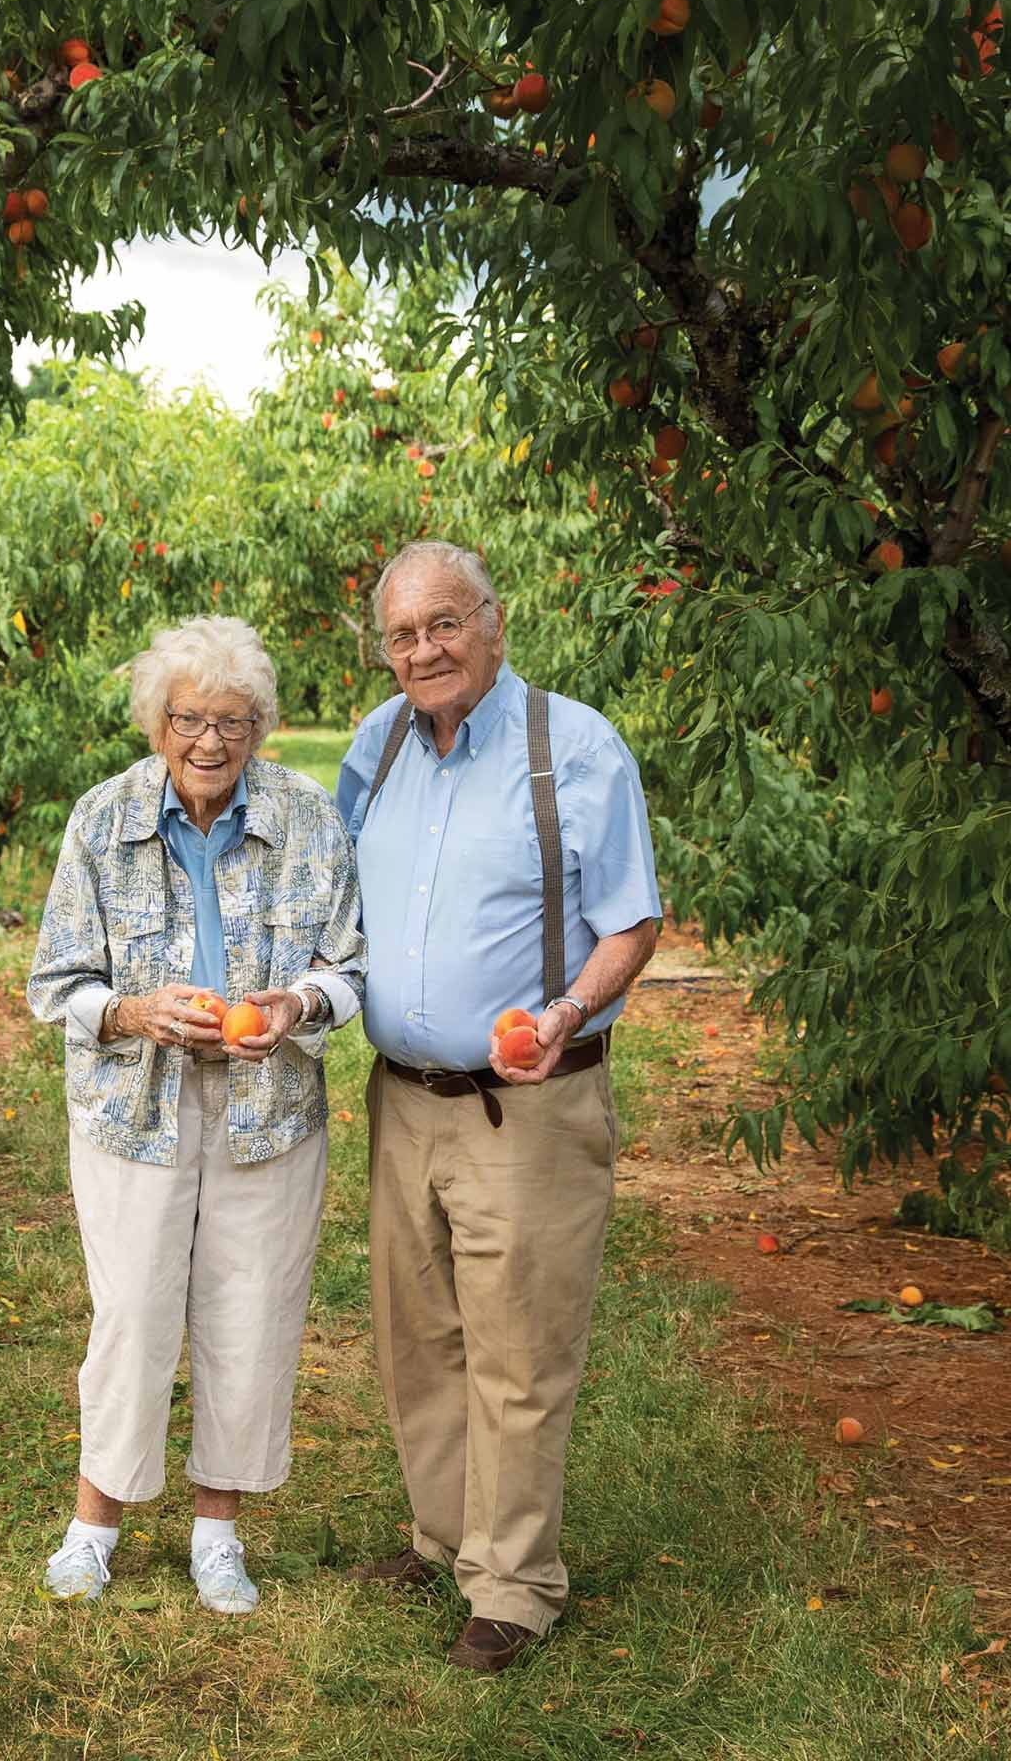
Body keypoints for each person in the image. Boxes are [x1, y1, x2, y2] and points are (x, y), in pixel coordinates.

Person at [335, 541, 660, 1674]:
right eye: (400, 635)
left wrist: (567, 1008)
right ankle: (442, 1538)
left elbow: (631, 921)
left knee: (519, 1346)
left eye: (442, 624)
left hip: (524, 1106)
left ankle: (513, 1584)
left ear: (492, 621)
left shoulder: (571, 747)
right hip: (401, 1100)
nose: (421, 650)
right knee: (415, 1332)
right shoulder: (375, 747)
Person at [27, 615, 364, 1616]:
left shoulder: (309, 817)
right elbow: (56, 982)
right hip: (136, 1101)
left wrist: (294, 1007)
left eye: (233, 720)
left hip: (269, 1104)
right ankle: (94, 1524)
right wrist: (135, 1011)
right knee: (132, 1308)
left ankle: (217, 1531)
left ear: (262, 725)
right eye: (188, 717)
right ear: (154, 719)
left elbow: (347, 969)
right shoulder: (101, 819)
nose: (209, 741)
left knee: (251, 1308)